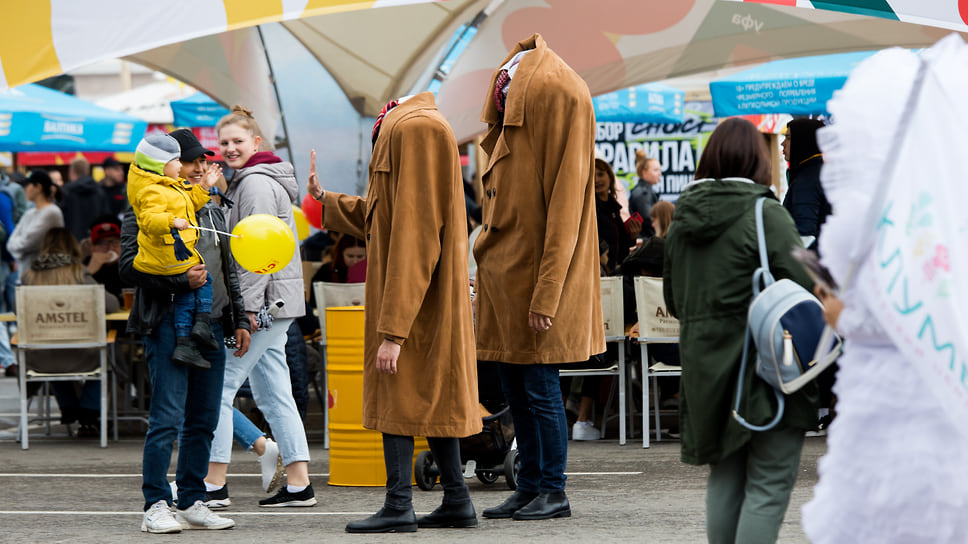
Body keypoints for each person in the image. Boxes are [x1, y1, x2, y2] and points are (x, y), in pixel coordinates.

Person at [308, 90, 481, 533]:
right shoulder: (412, 124)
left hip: (417, 302)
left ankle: (399, 505)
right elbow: (386, 218)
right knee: (433, 396)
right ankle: (457, 501)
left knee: (398, 394)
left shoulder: (413, 127)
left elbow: (417, 235)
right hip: (424, 300)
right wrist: (326, 200)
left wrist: (393, 332)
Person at [662, 118, 817, 544]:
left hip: (706, 376)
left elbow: (675, 302)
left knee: (725, 480)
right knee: (768, 484)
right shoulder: (765, 214)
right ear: (757, 161)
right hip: (765, 373)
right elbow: (807, 288)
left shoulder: (681, 222)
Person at [476, 34, 605, 521]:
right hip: (507, 277)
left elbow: (567, 207)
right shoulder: (534, 90)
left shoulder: (559, 93)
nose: (499, 100)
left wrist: (547, 293)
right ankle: (531, 484)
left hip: (530, 280)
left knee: (538, 386)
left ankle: (552, 488)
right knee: (516, 387)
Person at [122, 128, 251, 534]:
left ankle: (193, 498)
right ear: (171, 163)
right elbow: (126, 269)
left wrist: (240, 318)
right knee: (166, 417)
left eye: (201, 162)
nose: (202, 168)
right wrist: (181, 283)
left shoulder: (209, 206)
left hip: (211, 325)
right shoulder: (145, 206)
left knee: (204, 419)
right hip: (165, 324)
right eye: (194, 161)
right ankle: (155, 503)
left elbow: (227, 268)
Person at [207, 105, 315, 509]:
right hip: (277, 302)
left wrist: (246, 314)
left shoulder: (253, 184)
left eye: (237, 141)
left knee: (218, 389)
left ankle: (214, 483)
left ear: (255, 143)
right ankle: (299, 484)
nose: (230, 148)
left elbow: (255, 255)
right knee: (275, 394)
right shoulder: (255, 180)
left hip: (264, 304)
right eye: (224, 143)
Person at [127, 133, 221, 369]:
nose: (182, 167)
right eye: (181, 161)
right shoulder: (152, 192)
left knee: (190, 295)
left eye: (203, 161)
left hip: (181, 264)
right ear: (162, 165)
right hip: (168, 273)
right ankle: (197, 327)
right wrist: (171, 221)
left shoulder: (172, 188)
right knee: (194, 290)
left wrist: (206, 187)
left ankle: (192, 335)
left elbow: (191, 203)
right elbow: (148, 220)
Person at [20, 227, 120, 437]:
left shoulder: (29, 276)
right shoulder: (79, 273)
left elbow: (16, 308)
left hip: (40, 357)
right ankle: (89, 410)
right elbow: (111, 305)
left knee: (55, 349)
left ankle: (69, 406)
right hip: (83, 354)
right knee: (106, 354)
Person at [781, 119, 830, 251]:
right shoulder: (820, 172)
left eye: (789, 138)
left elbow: (804, 234)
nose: (782, 144)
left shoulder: (807, 180)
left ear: (803, 141)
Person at [7, 170, 64, 274]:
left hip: (43, 276)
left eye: (28, 185)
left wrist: (19, 249)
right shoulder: (29, 213)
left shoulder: (52, 213)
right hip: (26, 274)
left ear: (38, 187)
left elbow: (28, 243)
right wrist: (21, 249)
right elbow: (11, 243)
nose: (25, 190)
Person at [308, 234, 365, 310]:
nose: (355, 261)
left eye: (360, 256)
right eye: (350, 256)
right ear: (341, 254)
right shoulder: (326, 271)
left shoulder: (373, 273)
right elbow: (314, 301)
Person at [60, 157, 109, 242]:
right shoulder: (99, 192)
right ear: (88, 172)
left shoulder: (66, 191)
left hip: (72, 242)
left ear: (72, 171)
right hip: (95, 240)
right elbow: (106, 217)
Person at [84, 216, 124, 300]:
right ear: (92, 247)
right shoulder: (83, 265)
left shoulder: (130, 266)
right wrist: (89, 271)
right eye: (103, 243)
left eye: (115, 242)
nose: (110, 248)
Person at [628, 150, 662, 239]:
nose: (660, 173)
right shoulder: (643, 194)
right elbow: (648, 220)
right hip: (646, 243)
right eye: (655, 170)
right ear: (644, 172)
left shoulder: (644, 191)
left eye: (659, 170)